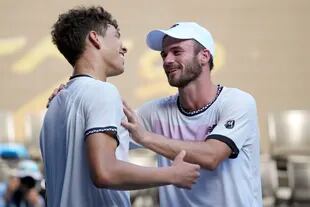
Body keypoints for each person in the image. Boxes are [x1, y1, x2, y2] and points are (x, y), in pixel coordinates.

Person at [40, 7, 200, 207]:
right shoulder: (102, 92)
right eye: (116, 36)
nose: (124, 47)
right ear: (95, 38)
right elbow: (105, 173)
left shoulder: (54, 105)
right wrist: (171, 174)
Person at [121, 22, 263, 207]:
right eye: (164, 54)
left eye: (177, 52)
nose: (166, 60)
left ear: (204, 56)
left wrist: (147, 138)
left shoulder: (238, 102)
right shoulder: (154, 112)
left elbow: (212, 156)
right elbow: (104, 135)